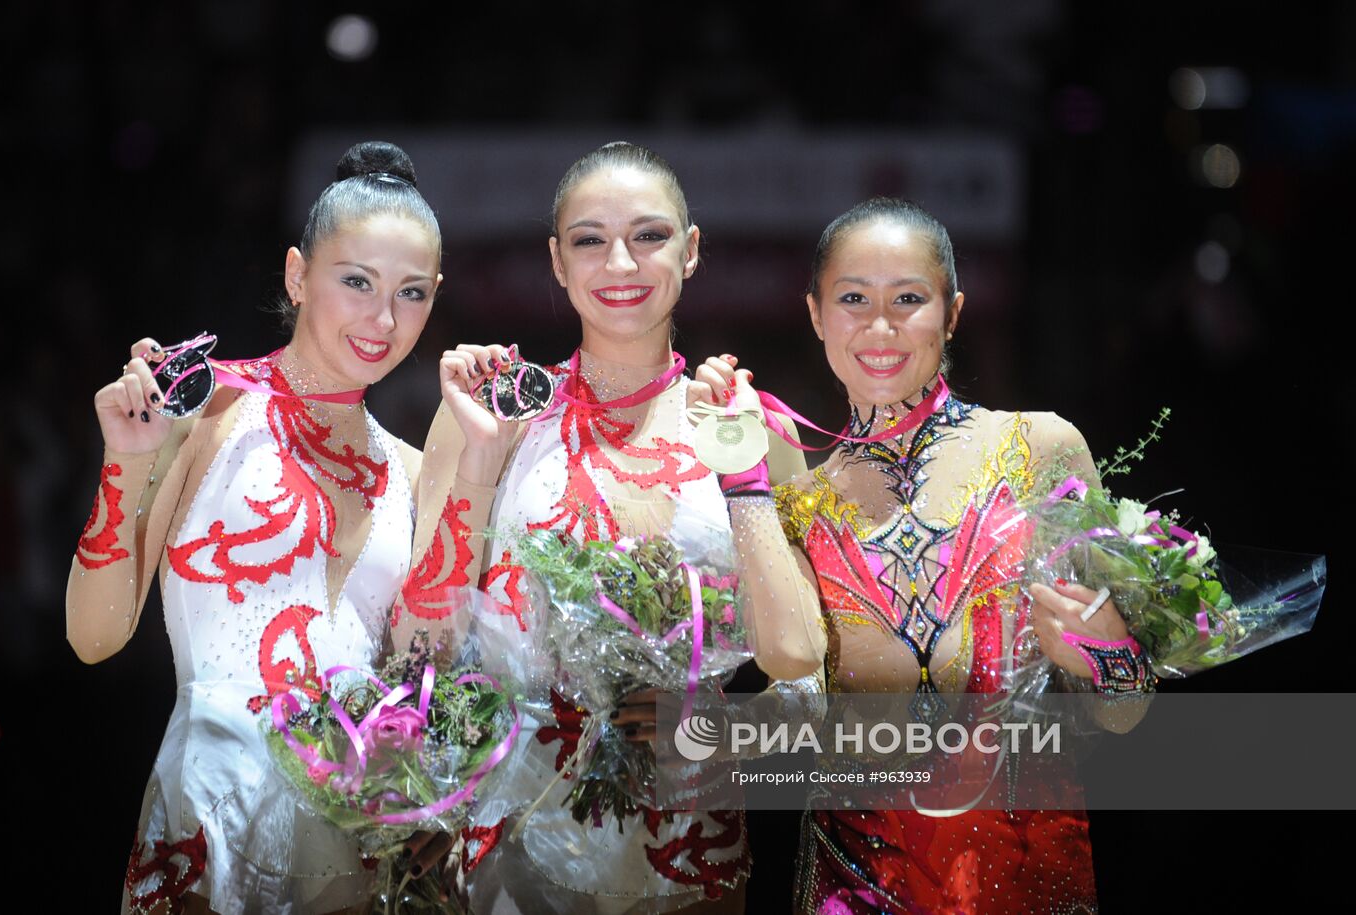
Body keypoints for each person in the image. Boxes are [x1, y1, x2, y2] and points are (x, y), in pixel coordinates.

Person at [392, 141, 827, 913]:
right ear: (557, 262)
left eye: (650, 235)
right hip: (513, 843)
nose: (620, 263)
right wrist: (428, 789)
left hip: (692, 847)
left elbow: (807, 687)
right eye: (589, 240)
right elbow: (423, 643)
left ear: (691, 252)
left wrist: (717, 736)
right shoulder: (489, 416)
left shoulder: (746, 429)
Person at [67, 141, 453, 915]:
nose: (383, 319)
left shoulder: (414, 471)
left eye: (411, 293)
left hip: (356, 865)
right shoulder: (207, 412)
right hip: (206, 839)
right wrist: (124, 461)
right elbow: (94, 636)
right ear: (296, 274)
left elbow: (424, 685)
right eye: (356, 281)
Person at [775, 198, 1154, 914]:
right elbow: (788, 716)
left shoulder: (1041, 450)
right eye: (853, 298)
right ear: (817, 314)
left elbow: (1128, 710)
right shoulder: (796, 507)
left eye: (909, 299)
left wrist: (1112, 657)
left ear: (952, 314)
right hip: (857, 885)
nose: (880, 326)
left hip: (1027, 878)